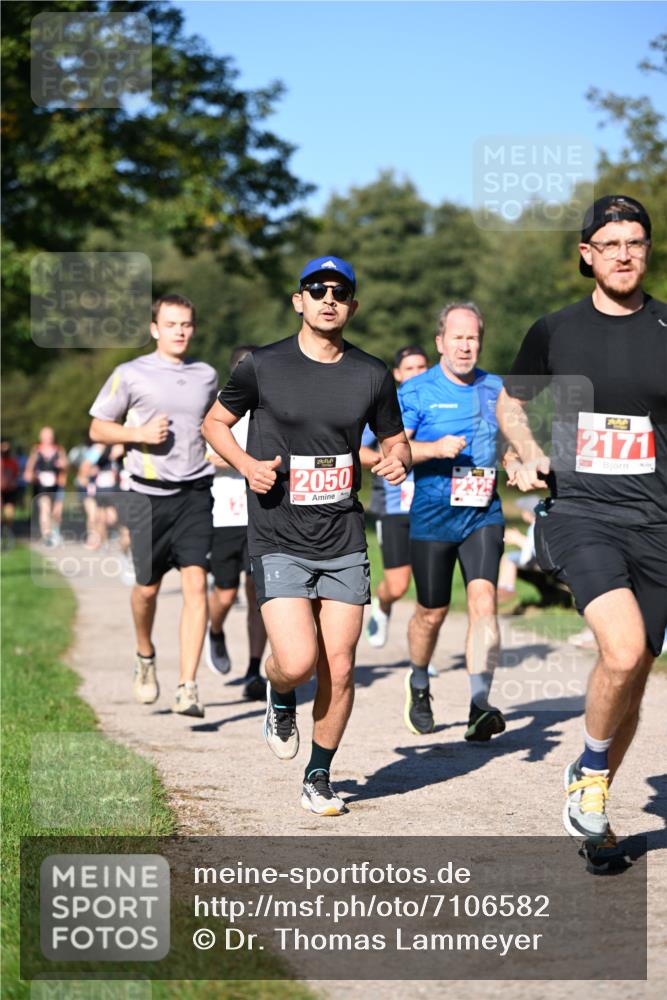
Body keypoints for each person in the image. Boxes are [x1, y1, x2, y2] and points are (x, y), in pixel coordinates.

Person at [202, 255, 410, 816]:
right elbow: (213, 424)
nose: (328, 299)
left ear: (352, 305)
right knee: (296, 661)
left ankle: (319, 775)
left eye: (339, 292)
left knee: (339, 666)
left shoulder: (370, 372)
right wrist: (246, 465)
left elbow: (395, 440)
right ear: (298, 301)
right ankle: (278, 691)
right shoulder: (261, 366)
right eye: (316, 290)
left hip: (343, 534)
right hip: (278, 532)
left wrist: (396, 459)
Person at [496, 194, 667, 848]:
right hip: (580, 513)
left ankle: (591, 795)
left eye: (635, 243)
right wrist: (525, 451)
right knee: (621, 650)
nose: (623, 255)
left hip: (656, 522)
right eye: (610, 243)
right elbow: (511, 402)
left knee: (631, 676)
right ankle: (591, 771)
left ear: (646, 252)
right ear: (585, 253)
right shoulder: (555, 331)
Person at [89, 294, 218, 718]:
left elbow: (215, 426)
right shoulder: (130, 373)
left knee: (197, 584)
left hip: (196, 492)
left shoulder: (206, 375)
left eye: (186, 324)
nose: (179, 331)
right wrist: (138, 434)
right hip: (147, 495)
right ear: (154, 329)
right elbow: (97, 428)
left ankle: (187, 686)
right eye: (171, 324)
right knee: (147, 589)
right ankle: (145, 655)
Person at [399, 302, 506, 741]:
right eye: (457, 338)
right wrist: (433, 448)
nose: (466, 346)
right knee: (431, 612)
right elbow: (394, 452)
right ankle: (419, 681)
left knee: (484, 603)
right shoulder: (416, 390)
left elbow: (513, 440)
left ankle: (479, 705)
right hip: (432, 514)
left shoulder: (497, 387)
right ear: (440, 342)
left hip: (483, 512)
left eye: (473, 338)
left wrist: (518, 460)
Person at [205, 345, 268, 701]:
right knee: (226, 593)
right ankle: (215, 630)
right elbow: (207, 456)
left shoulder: (273, 402)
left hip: (262, 513)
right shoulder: (219, 406)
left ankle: (254, 671)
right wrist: (246, 462)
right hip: (225, 514)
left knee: (259, 594)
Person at [361, 345, 428, 649]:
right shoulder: (387, 403)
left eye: (421, 368)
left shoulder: (439, 401)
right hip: (395, 502)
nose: (416, 374)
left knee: (430, 583)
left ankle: (421, 654)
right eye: (409, 369)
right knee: (399, 584)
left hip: (432, 502)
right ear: (398, 374)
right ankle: (384, 603)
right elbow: (360, 448)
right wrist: (389, 460)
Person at [23, 427, 68, 546]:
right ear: (41, 437)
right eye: (46, 436)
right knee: (45, 508)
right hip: (41, 486)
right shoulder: (36, 450)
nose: (48, 438)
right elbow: (29, 467)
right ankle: (47, 536)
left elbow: (66, 466)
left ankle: (55, 531)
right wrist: (30, 475)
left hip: (57, 485)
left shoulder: (59, 450)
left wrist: (63, 465)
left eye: (50, 436)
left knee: (57, 512)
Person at [1, 440, 20, 546]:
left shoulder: (13, 462)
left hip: (10, 492)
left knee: (9, 514)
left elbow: (15, 477)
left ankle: (8, 532)